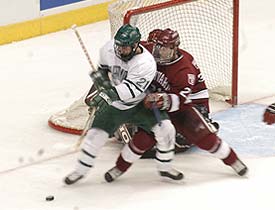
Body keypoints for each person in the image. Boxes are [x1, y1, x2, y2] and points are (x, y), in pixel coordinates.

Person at [104, 28, 248, 182]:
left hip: (183, 108)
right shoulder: (150, 50)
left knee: (205, 138)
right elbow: (127, 53)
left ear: (174, 48)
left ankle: (234, 161)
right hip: (156, 106)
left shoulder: (184, 70)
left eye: (164, 49)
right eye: (158, 47)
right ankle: (118, 168)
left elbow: (179, 99)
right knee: (143, 139)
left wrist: (162, 99)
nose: (158, 53)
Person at [64, 24, 183, 185]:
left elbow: (131, 90)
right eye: (118, 46)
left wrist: (107, 94)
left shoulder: (146, 63)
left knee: (167, 130)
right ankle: (80, 171)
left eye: (125, 48)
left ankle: (165, 167)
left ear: (135, 46)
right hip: (115, 106)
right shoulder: (108, 49)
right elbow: (103, 70)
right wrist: (101, 81)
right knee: (94, 136)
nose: (120, 51)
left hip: (141, 103)